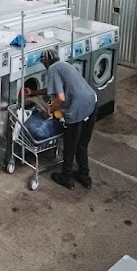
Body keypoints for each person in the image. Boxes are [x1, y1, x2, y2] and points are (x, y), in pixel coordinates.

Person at [40, 48, 98, 191]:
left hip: (77, 110)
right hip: (92, 103)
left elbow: (60, 98)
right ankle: (85, 176)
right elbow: (55, 89)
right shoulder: (65, 65)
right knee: (82, 144)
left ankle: (66, 177)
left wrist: (50, 111)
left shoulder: (52, 69)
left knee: (70, 145)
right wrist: (33, 92)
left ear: (45, 62)